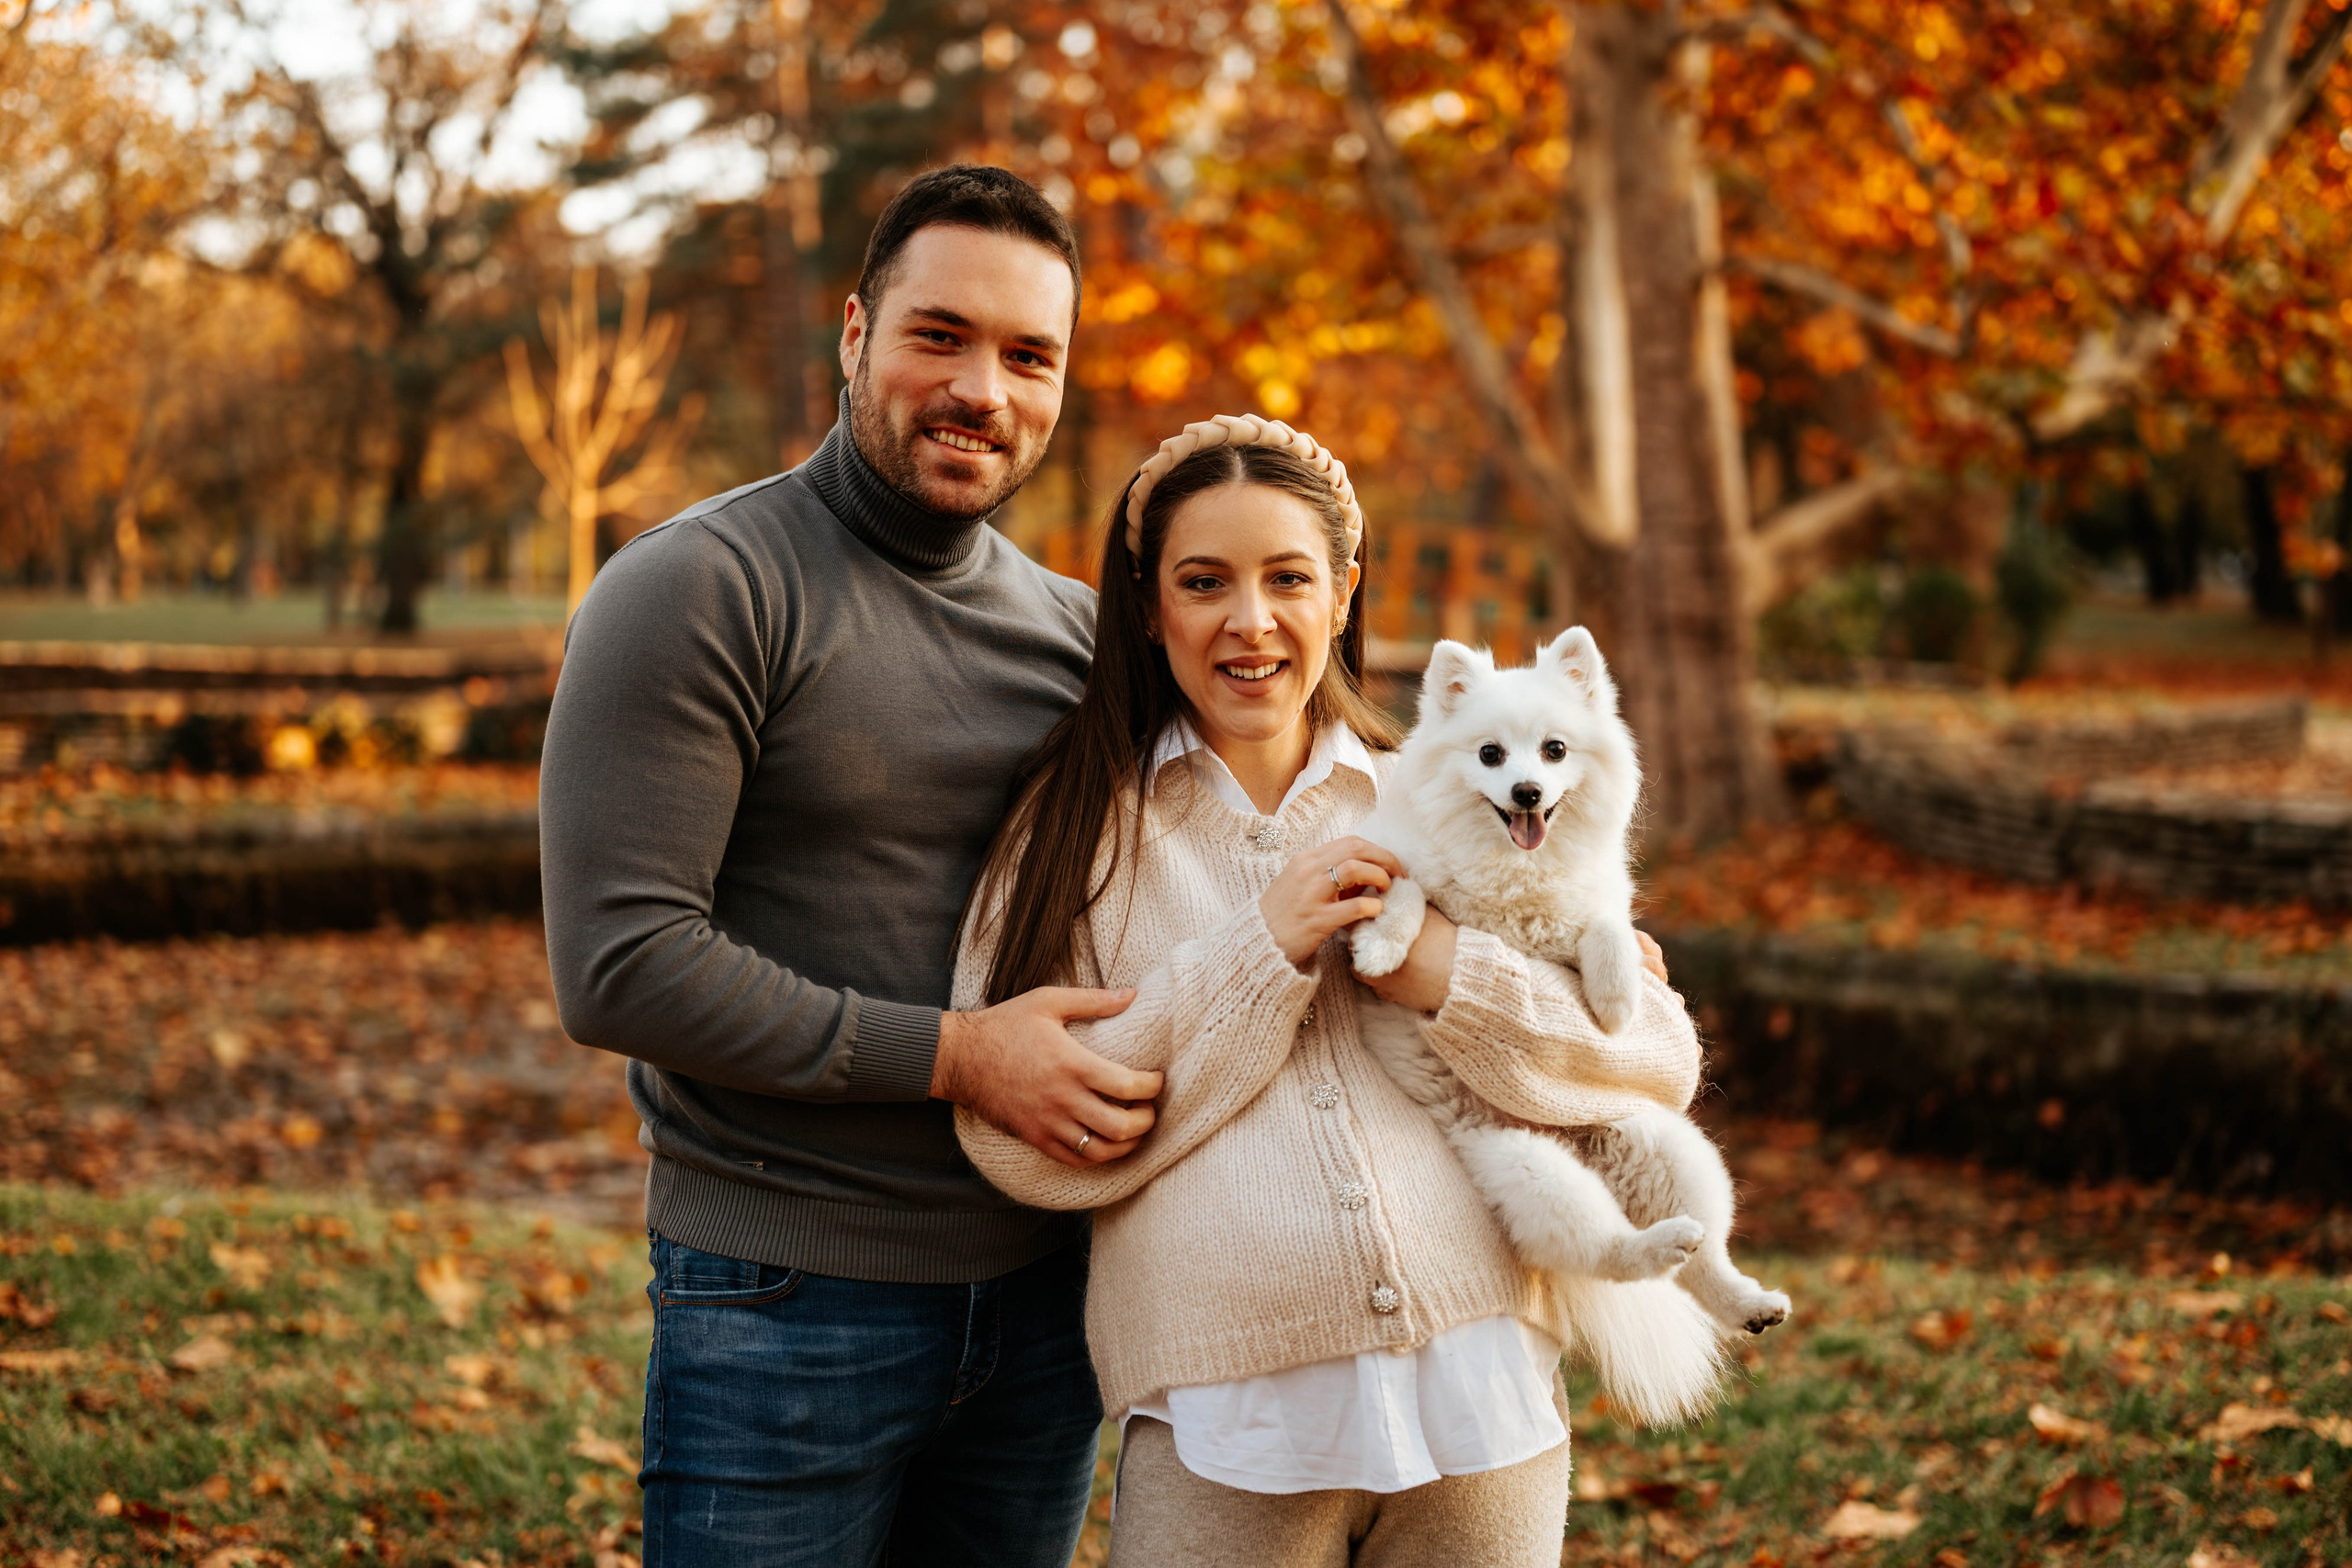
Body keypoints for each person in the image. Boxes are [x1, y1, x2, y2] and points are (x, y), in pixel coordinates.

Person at [539, 165, 1159, 1568]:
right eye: (940, 336)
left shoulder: (1082, 635)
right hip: (782, 1299)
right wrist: (958, 1055)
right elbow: (621, 963)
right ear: (855, 333)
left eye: (1029, 355)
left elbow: (1253, 853)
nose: (981, 391)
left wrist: (1522, 933)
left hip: (1050, 1301)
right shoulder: (699, 587)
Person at [953, 415, 1702, 1564]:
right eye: (1204, 582)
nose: (1250, 622)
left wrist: (1446, 975)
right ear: (1150, 606)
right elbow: (1022, 1147)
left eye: (1288, 579)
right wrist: (1260, 950)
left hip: (1485, 1403)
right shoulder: (1069, 839)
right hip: (1224, 1426)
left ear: (1343, 595)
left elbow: (1651, 1057)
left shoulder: (1455, 794)